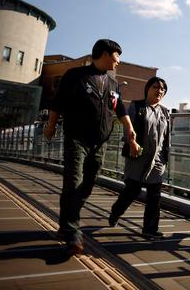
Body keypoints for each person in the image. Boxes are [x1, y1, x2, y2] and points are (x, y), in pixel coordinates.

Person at [44, 39, 135, 255]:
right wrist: (50, 126)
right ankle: (73, 233)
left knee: (87, 185)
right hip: (77, 138)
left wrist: (130, 132)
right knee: (73, 182)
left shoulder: (112, 84)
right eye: (116, 56)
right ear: (105, 54)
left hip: (100, 142)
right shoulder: (75, 75)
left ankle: (65, 223)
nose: (118, 61)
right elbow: (58, 103)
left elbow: (120, 109)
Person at [108, 76, 170, 238]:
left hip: (157, 160)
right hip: (138, 155)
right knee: (132, 191)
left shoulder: (164, 111)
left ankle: (150, 229)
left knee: (154, 196)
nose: (159, 90)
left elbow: (165, 137)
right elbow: (128, 128)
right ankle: (116, 211)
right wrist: (132, 143)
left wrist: (164, 158)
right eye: (156, 87)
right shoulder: (137, 106)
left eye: (162, 89)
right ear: (147, 89)